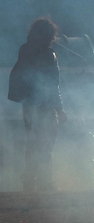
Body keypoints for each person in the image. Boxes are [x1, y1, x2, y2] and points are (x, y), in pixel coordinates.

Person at [8, 18, 65, 191]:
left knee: (33, 142)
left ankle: (29, 178)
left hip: (29, 105)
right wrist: (60, 109)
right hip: (45, 106)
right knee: (46, 144)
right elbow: (53, 84)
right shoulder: (49, 55)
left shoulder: (24, 50)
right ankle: (45, 181)